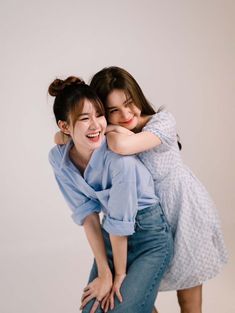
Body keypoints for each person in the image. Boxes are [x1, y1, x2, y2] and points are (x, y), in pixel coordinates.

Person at [88, 66, 228, 313]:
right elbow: (62, 138)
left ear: (137, 95)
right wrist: (99, 128)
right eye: (113, 111)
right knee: (140, 294)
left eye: (129, 103)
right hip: (147, 223)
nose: (125, 113)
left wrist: (107, 128)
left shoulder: (162, 122)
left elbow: (123, 144)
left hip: (184, 214)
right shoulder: (110, 134)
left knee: (188, 300)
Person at [48, 76, 173, 313]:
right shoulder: (58, 159)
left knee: (120, 310)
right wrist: (105, 272)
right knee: (90, 310)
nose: (96, 125)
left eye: (99, 115)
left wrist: (119, 275)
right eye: (85, 118)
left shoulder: (118, 160)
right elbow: (87, 215)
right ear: (65, 127)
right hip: (112, 235)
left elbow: (119, 223)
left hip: (150, 237)